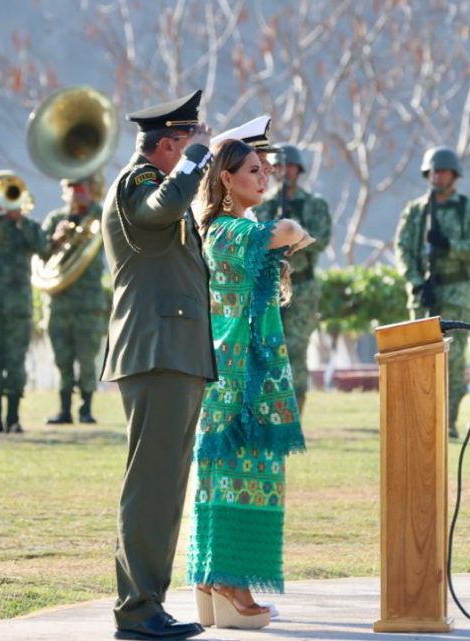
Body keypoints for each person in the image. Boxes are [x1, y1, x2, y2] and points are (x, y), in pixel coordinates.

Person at [187, 139, 312, 631]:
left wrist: (291, 236)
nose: (265, 178)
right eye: (254, 170)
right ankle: (230, 584)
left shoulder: (233, 229)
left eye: (266, 170)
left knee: (235, 473)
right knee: (238, 474)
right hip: (237, 376)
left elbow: (289, 236)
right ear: (226, 178)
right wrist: (291, 234)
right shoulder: (225, 231)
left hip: (241, 370)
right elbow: (289, 232)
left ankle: (213, 580)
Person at [101, 90, 213, 641]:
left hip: (174, 350)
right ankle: (137, 609)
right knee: (151, 485)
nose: (200, 151)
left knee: (165, 486)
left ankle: (148, 603)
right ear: (169, 145)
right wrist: (194, 163)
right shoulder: (138, 182)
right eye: (190, 142)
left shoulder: (162, 179)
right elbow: (158, 211)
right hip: (157, 349)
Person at [394, 146, 470, 438]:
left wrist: (449, 246)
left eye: (443, 172)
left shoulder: (467, 209)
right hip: (426, 292)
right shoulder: (416, 211)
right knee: (418, 357)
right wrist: (416, 282)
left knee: (455, 358)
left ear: (454, 175)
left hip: (457, 289)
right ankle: (421, 418)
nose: (437, 177)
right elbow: (403, 250)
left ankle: (447, 421)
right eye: (433, 172)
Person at [254, 143, 331, 414]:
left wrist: (292, 231)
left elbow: (320, 240)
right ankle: (269, 408)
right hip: (270, 285)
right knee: (268, 347)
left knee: (296, 349)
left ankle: (295, 409)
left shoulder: (314, 205)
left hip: (302, 286)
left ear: (299, 170)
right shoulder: (263, 204)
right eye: (280, 167)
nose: (285, 172)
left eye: (291, 167)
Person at [0, 171, 49, 435]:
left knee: (16, 364)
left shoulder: (26, 225)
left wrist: (21, 221)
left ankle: (14, 418)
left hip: (18, 307)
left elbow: (44, 248)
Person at [41, 176, 107, 425]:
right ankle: (64, 409)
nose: (76, 192)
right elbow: (39, 253)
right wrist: (56, 239)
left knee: (87, 357)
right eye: (70, 187)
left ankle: (86, 409)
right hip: (58, 301)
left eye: (81, 187)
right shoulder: (55, 220)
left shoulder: (100, 216)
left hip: (88, 302)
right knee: (62, 358)